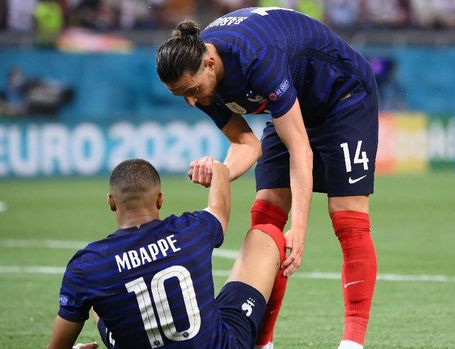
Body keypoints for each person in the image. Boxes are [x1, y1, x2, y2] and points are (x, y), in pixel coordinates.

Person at [156, 7, 378, 349]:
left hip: (343, 99)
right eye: (180, 95)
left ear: (211, 64)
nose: (191, 101)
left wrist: (300, 229)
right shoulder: (202, 82)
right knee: (265, 218)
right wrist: (220, 171)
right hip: (291, 104)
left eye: (191, 90)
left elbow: (300, 149)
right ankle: (263, 342)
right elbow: (247, 144)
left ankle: (352, 343)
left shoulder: (256, 57)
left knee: (348, 217)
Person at [47, 157, 286, 349]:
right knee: (265, 236)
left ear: (111, 202)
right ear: (160, 199)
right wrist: (219, 169)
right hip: (218, 343)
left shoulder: (87, 265)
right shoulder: (191, 230)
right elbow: (219, 209)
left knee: (96, 301)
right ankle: (263, 344)